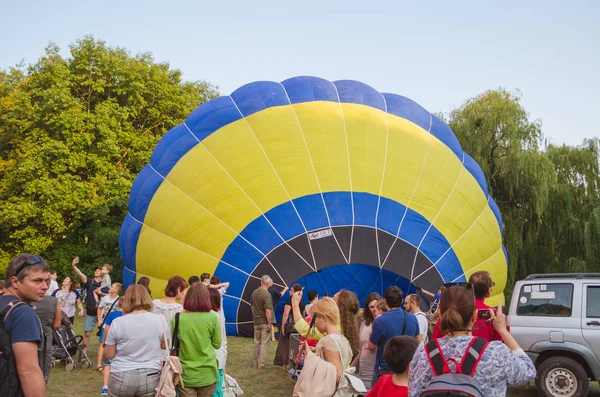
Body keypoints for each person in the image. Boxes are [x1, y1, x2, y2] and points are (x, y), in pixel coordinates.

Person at [408, 285, 536, 397]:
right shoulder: (496, 353)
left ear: (441, 316)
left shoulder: (421, 354)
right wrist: (503, 330)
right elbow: (528, 371)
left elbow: (414, 392)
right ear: (474, 316)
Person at [104, 285, 166, 397]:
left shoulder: (118, 322)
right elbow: (165, 345)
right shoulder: (159, 319)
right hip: (150, 373)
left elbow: (109, 354)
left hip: (121, 373)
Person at [0, 254, 49, 396]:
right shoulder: (22, 313)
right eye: (37, 281)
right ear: (15, 282)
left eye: (46, 281)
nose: (45, 287)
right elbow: (28, 370)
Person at [293, 293, 353, 389]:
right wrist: (316, 350)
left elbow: (337, 376)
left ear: (324, 318)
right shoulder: (342, 338)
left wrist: (309, 354)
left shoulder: (328, 341)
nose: (314, 324)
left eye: (314, 319)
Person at [367, 286, 420, 385]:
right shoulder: (412, 318)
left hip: (385, 369)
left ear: (386, 302)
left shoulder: (380, 321)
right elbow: (417, 341)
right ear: (401, 300)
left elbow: (371, 346)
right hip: (406, 370)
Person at [176, 283, 222, 397]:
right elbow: (217, 344)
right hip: (207, 373)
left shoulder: (177, 318)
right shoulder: (212, 317)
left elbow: (175, 343)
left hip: (186, 373)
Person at [71, 257, 109, 351]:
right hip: (91, 311)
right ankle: (84, 355)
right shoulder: (90, 282)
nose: (96, 271)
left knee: (106, 334)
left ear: (103, 273)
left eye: (99, 270)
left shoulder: (105, 284)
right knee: (87, 333)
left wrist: (101, 294)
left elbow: (110, 295)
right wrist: (74, 266)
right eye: (96, 270)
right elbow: (81, 275)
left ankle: (106, 354)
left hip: (103, 313)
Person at [352, 292, 381, 390]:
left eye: (376, 306)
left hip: (376, 368)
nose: (374, 309)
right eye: (371, 307)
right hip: (363, 368)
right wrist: (353, 366)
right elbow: (360, 349)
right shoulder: (364, 323)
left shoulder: (383, 322)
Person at [273, 284, 304, 370]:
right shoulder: (302, 302)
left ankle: (284, 365)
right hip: (297, 327)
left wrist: (282, 326)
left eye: (291, 290)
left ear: (295, 292)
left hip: (289, 327)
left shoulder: (289, 301)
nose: (290, 291)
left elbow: (286, 314)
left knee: (285, 346)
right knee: (295, 346)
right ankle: (294, 366)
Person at [33, 295, 61, 383]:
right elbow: (57, 326)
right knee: (44, 361)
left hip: (27, 336)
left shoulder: (23, 300)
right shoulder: (55, 301)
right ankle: (43, 379)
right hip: (45, 337)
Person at [153, 275, 188, 348]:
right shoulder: (180, 309)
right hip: (170, 346)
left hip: (153, 345)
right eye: (184, 290)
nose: (184, 293)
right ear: (179, 289)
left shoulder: (154, 303)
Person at [96, 283, 122, 374]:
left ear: (117, 290)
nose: (110, 288)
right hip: (105, 324)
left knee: (113, 344)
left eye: (113, 287)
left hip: (114, 326)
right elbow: (99, 308)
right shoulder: (105, 298)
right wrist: (99, 319)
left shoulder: (119, 300)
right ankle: (99, 365)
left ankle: (110, 363)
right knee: (102, 343)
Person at [100, 299, 123, 396]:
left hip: (112, 341)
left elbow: (106, 328)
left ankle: (105, 386)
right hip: (122, 342)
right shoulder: (127, 315)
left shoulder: (112, 314)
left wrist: (104, 341)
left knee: (108, 364)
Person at [250, 275, 273, 369]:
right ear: (267, 283)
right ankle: (261, 364)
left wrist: (255, 316)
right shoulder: (266, 294)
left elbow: (251, 306)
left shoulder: (254, 293)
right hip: (264, 322)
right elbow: (268, 310)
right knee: (264, 344)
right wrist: (269, 323)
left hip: (256, 321)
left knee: (257, 343)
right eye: (271, 282)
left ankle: (255, 363)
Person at [209, 287, 227, 397]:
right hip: (220, 354)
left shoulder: (211, 315)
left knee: (214, 388)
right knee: (218, 385)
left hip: (214, 354)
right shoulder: (219, 314)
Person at [333, 289, 361, 359]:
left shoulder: (335, 326)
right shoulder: (354, 324)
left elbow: (306, 330)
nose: (331, 301)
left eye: (333, 299)